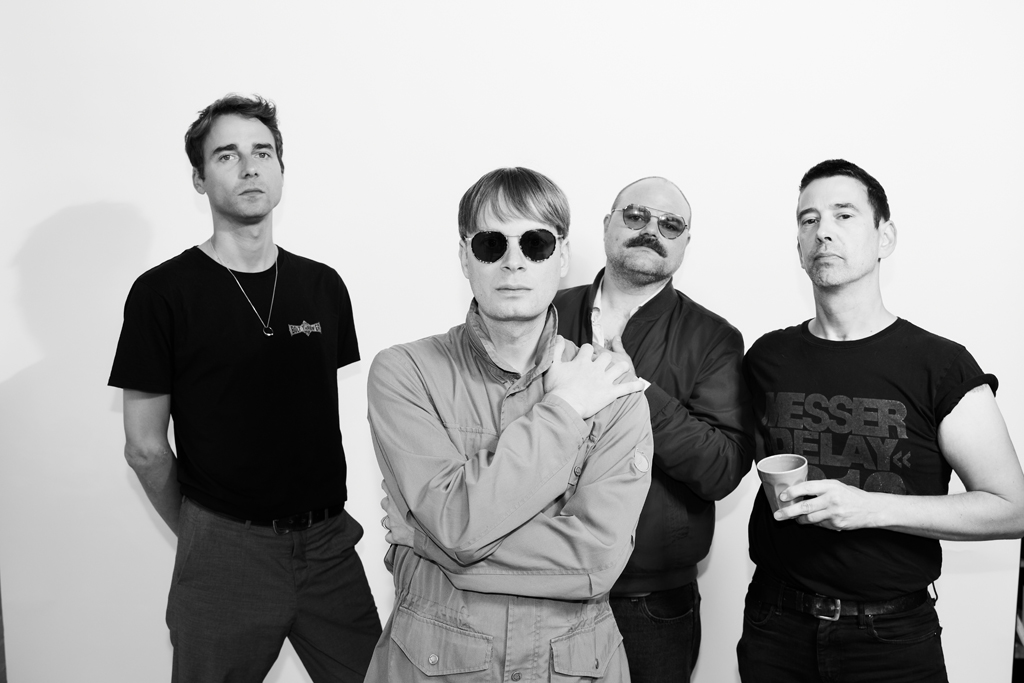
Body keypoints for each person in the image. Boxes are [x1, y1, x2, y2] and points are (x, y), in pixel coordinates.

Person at [109, 94, 381, 682]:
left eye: (262, 152)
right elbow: (145, 448)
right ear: (199, 178)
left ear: (281, 168)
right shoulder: (162, 293)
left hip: (329, 548)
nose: (250, 167)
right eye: (227, 155)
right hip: (225, 550)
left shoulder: (322, 286)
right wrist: (204, 535)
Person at [737, 159, 1024, 682]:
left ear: (884, 237)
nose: (823, 231)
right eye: (808, 220)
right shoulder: (767, 358)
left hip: (890, 638)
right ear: (798, 247)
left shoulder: (940, 365)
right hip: (775, 625)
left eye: (844, 215)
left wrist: (868, 508)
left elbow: (1012, 508)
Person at [366, 167, 654, 682]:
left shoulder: (612, 388)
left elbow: (595, 563)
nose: (513, 261)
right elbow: (458, 524)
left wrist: (426, 538)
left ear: (562, 257)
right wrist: (565, 409)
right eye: (491, 244)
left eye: (536, 243)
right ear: (465, 258)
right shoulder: (405, 373)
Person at [553, 176, 755, 681]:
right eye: (636, 215)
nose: (651, 231)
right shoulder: (544, 313)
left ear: (685, 243)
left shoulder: (714, 338)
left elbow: (722, 468)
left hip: (649, 603)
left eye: (670, 224)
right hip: (539, 586)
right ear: (607, 225)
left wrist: (636, 389)